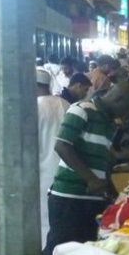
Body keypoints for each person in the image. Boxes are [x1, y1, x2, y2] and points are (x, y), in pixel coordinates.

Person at [41, 74, 129, 255]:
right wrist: (91, 179)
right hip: (69, 197)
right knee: (59, 253)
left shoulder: (110, 123)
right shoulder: (81, 110)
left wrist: (128, 158)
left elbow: (104, 154)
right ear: (119, 99)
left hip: (93, 199)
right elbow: (62, 146)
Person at [36, 67, 70, 244]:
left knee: (44, 218)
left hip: (42, 173)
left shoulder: (33, 107)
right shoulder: (64, 104)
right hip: (66, 170)